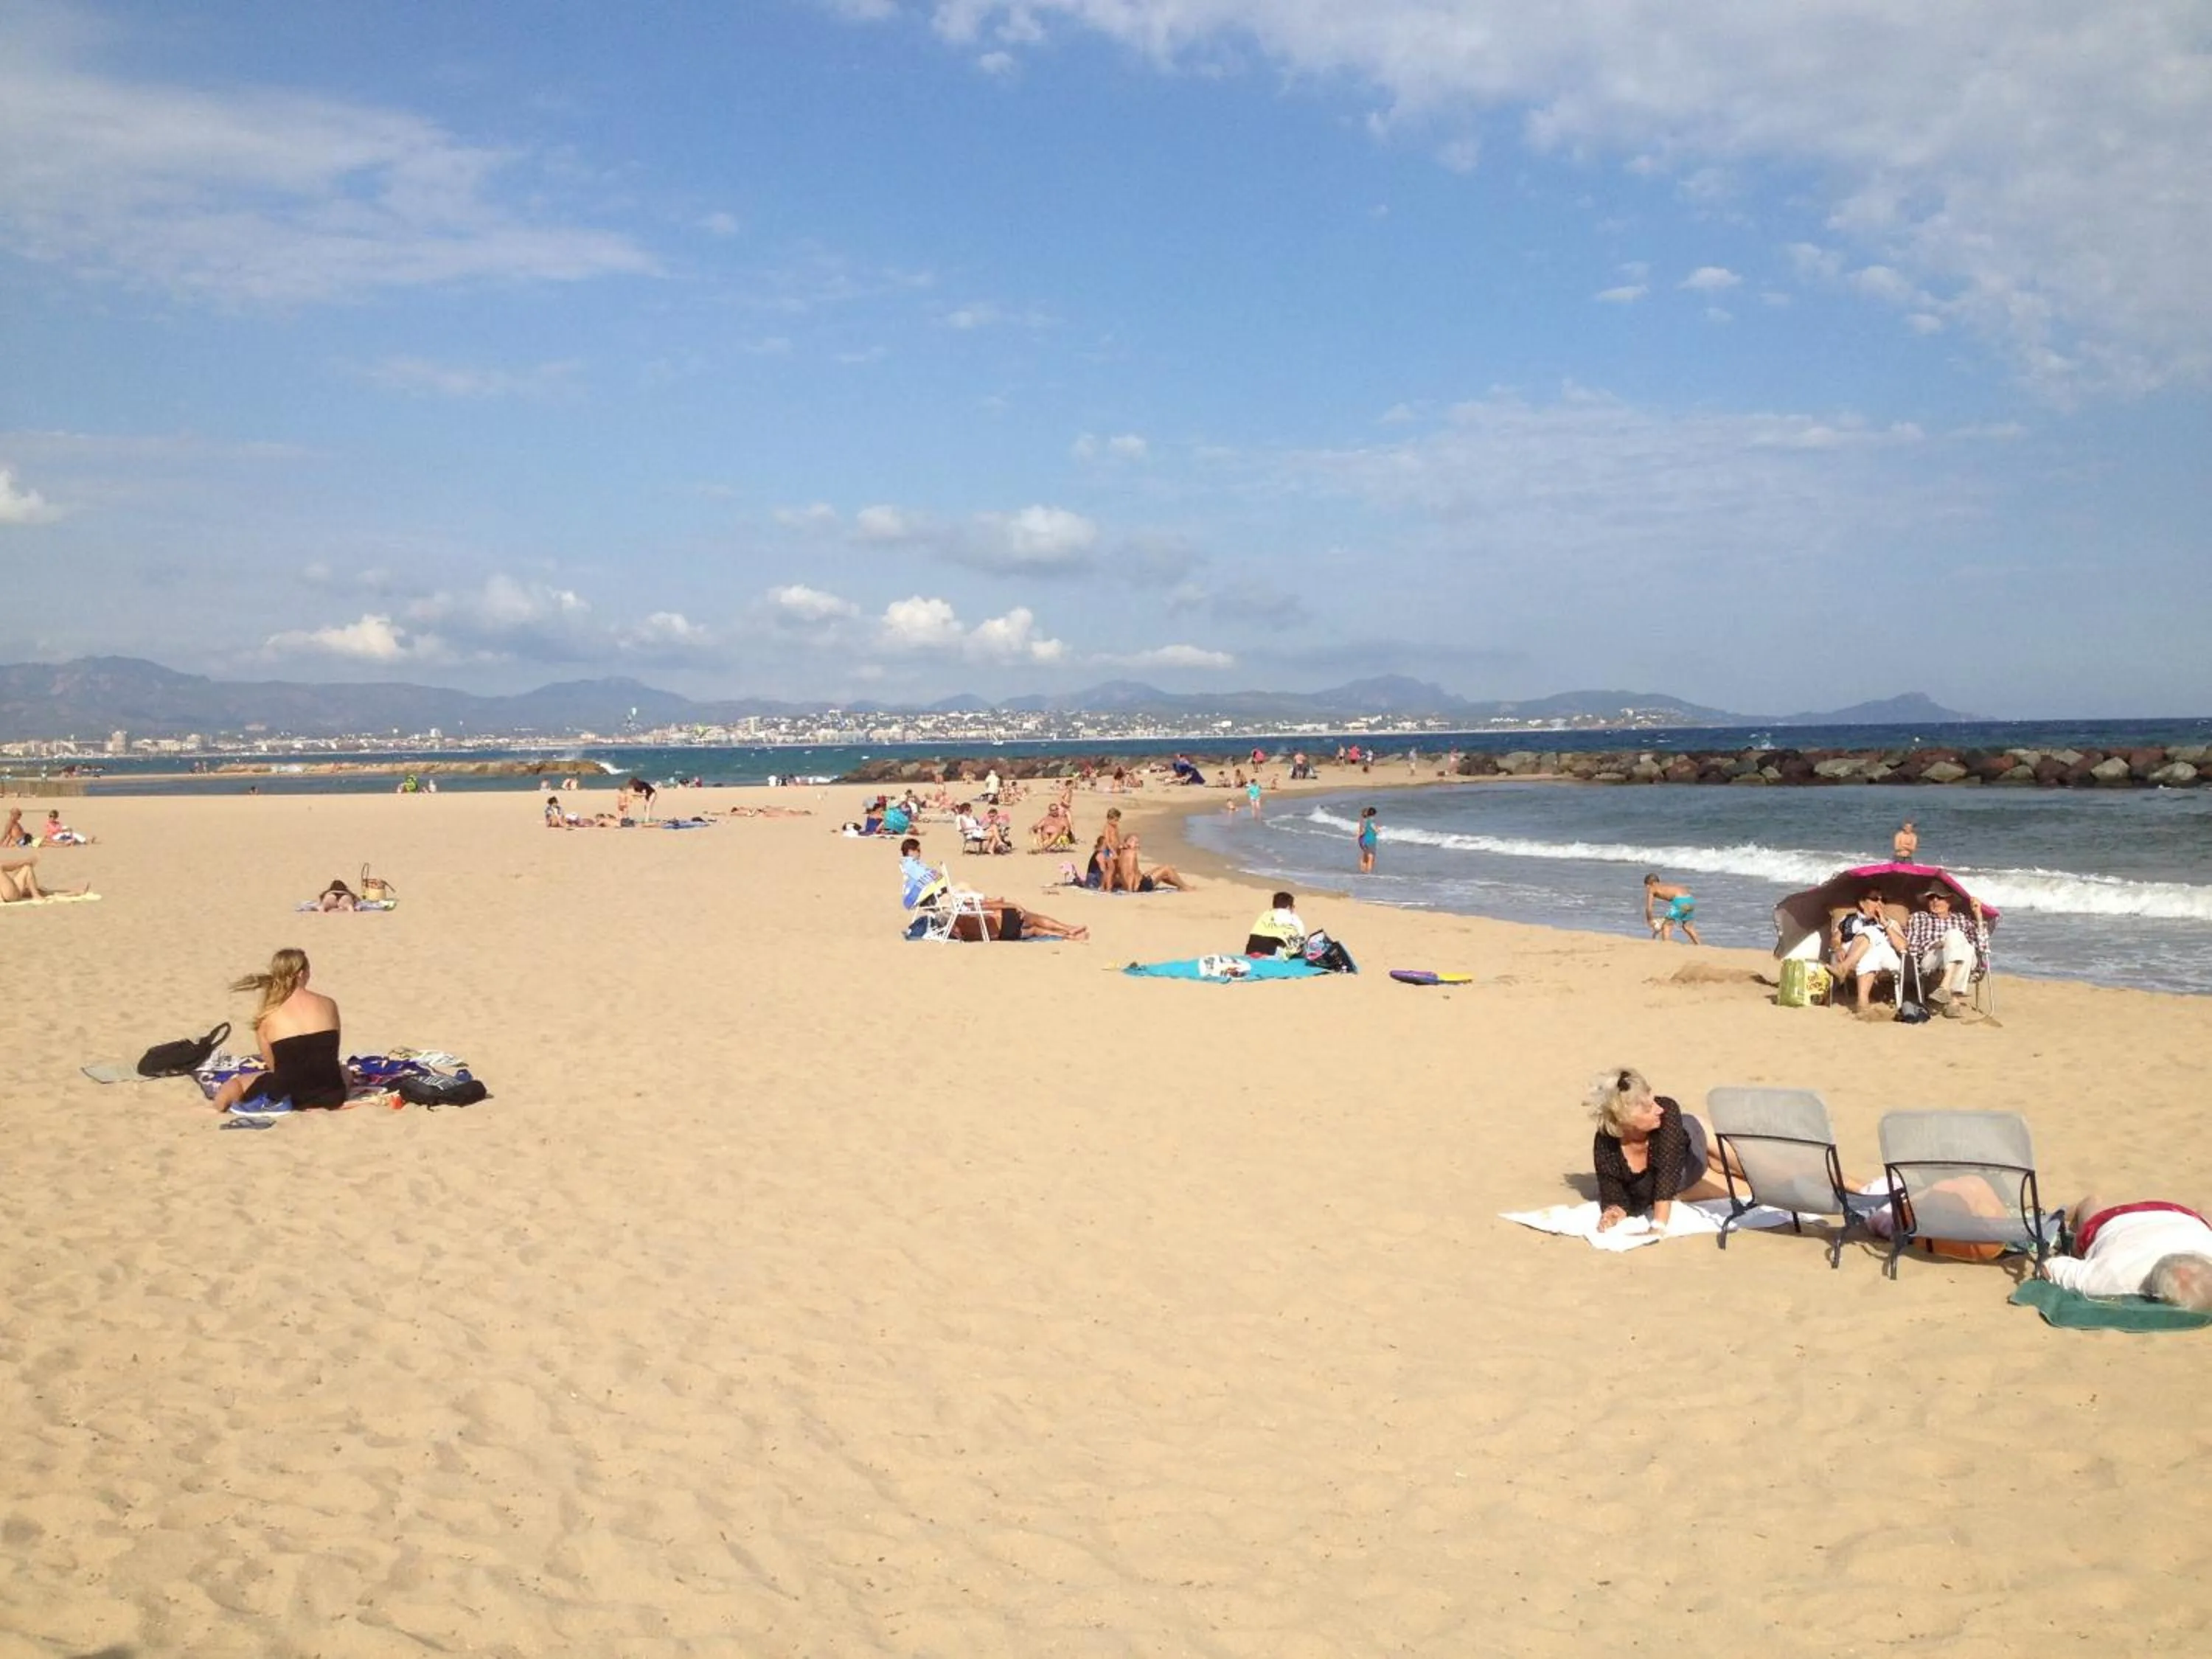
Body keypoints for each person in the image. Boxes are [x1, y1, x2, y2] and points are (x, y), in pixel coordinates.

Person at [1587, 1068, 1733, 1234]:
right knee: (1749, 1192)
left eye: (1654, 1101)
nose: (1659, 1109)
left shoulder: (1667, 1111)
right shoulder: (1605, 1144)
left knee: (1753, 1171)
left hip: (1697, 1142)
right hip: (1686, 1182)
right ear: (1624, 1119)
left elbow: (1667, 1172)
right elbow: (1614, 1194)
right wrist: (1614, 1212)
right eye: (1648, 1109)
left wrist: (1658, 1226)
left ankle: (1718, 1162)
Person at [210, 947, 347, 1114]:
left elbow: (274, 1066)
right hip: (331, 1094)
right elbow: (332, 1054)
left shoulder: (268, 1015)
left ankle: (217, 1107)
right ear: (302, 973)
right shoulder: (329, 1004)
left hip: (288, 1095)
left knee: (238, 1083)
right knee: (345, 1071)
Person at [2039, 1197, 2212, 1307]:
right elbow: (2049, 1267)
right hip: (2115, 1221)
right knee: (2091, 1211)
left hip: (2181, 1215)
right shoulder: (2115, 1277)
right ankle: (2078, 1208)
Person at [1903, 886, 1987, 1015]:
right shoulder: (1920, 918)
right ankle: (1955, 1000)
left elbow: (1982, 947)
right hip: (1933, 958)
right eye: (1931, 897)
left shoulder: (1962, 919)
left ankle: (1945, 987)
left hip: (1963, 956)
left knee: (1965, 945)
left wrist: (1978, 915)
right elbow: (1912, 948)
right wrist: (1938, 945)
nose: (1935, 901)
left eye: (1940, 897)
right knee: (1956, 939)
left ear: (1950, 901)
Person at [1833, 890, 1907, 1014]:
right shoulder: (1847, 919)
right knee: (1872, 952)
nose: (1879, 903)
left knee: (1872, 932)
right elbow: (1835, 939)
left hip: (1887, 958)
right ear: (1862, 903)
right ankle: (1863, 1003)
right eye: (1874, 899)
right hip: (1852, 951)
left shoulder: (1891, 923)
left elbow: (1902, 947)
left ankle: (1844, 968)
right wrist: (1837, 948)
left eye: (1882, 900)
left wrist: (1884, 923)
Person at [1114, 832, 1190, 892]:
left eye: (1138, 843)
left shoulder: (1121, 852)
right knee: (1167, 869)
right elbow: (1130, 874)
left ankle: (1180, 886)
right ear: (1128, 843)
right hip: (1141, 886)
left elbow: (1122, 872)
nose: (1138, 845)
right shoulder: (1131, 854)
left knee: (1159, 869)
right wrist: (1130, 890)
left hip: (1140, 880)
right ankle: (1186, 887)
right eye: (1136, 843)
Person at [1641, 874, 1703, 945]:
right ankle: (1700, 945)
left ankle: (1666, 946)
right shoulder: (1665, 886)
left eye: (1647, 885)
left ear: (1653, 883)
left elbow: (1649, 908)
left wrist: (1650, 920)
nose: (1647, 888)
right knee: (1687, 926)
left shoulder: (1652, 889)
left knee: (1667, 925)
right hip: (1690, 900)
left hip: (1680, 901)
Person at [1, 855, 88, 903]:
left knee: (26, 869)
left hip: (8, 894)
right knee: (26, 867)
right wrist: (25, 861)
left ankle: (74, 892)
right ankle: (36, 896)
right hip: (9, 896)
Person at [1245, 891, 1307, 957]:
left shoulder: (1265, 914)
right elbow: (1301, 938)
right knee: (1303, 948)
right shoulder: (1294, 917)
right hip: (1274, 952)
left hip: (1252, 948)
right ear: (1289, 907)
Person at [1356, 806, 1378, 874]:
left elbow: (1362, 830)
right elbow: (1376, 831)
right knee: (1371, 857)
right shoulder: (1371, 822)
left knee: (1365, 856)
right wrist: (1377, 830)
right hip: (1370, 840)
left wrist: (1359, 836)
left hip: (1364, 840)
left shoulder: (1364, 821)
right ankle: (1368, 873)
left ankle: (1363, 870)